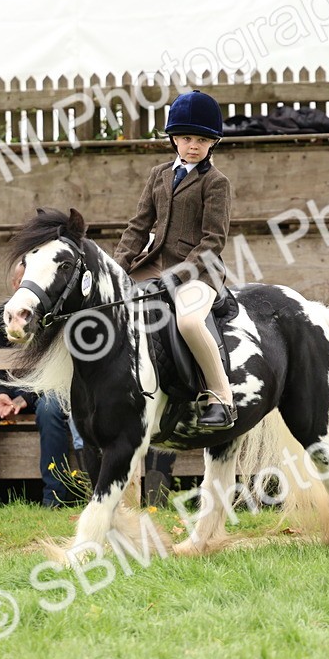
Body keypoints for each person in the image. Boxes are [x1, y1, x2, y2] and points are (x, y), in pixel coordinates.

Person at [113, 89, 235, 430]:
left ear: (212, 143)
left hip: (199, 271)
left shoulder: (216, 182)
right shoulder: (159, 175)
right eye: (185, 138)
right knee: (111, 306)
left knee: (190, 323)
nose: (192, 145)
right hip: (155, 261)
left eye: (200, 139)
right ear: (174, 139)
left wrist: (177, 276)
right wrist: (117, 267)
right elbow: (138, 226)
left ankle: (221, 397)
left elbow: (214, 240)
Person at [0, 263, 77, 507]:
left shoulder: (53, 314)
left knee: (49, 411)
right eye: (22, 282)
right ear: (15, 285)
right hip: (11, 385)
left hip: (49, 387)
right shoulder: (5, 312)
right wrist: (1, 394)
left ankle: (55, 498)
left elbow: (53, 367)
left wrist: (25, 397)